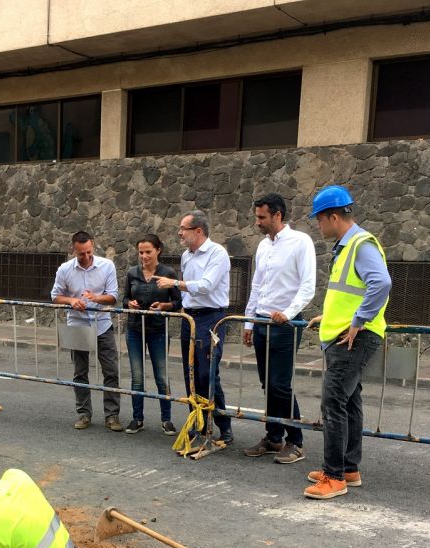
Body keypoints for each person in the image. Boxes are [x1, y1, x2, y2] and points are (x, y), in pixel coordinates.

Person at [304, 185, 391, 500]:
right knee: (349, 402)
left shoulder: (359, 244)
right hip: (344, 334)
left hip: (353, 338)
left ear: (334, 216)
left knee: (333, 403)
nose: (319, 226)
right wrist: (326, 319)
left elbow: (381, 283)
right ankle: (348, 468)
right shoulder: (347, 246)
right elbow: (347, 293)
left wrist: (357, 322)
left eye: (320, 220)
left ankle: (333, 477)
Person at [242, 193, 316, 465]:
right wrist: (250, 321)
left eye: (262, 217)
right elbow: (257, 286)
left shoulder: (300, 242)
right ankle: (273, 436)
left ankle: (295, 441)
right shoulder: (263, 246)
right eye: (257, 216)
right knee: (267, 383)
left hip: (286, 324)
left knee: (280, 385)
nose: (257, 222)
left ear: (277, 215)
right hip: (262, 322)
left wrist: (288, 313)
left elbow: (308, 285)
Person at [152, 210, 233, 447]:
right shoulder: (187, 255)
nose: (179, 233)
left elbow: (206, 286)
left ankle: (223, 426)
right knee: (190, 374)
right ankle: (197, 425)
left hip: (212, 318)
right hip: (190, 318)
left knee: (207, 374)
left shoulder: (217, 253)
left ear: (198, 231)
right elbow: (190, 291)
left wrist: (175, 283)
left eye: (183, 229)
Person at [51, 231, 122, 431]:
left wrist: (97, 298)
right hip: (77, 325)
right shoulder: (65, 269)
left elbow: (113, 296)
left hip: (102, 324)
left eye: (89, 252)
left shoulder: (107, 266)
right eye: (81, 254)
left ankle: (112, 415)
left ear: (93, 246)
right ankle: (83, 413)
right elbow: (55, 296)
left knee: (111, 371)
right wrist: (71, 300)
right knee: (80, 372)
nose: (86, 257)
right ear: (73, 250)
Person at [122, 234, 182, 435]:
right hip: (134, 330)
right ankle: (137, 418)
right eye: (141, 252)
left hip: (158, 331)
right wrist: (129, 303)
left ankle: (167, 420)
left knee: (162, 377)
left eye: (148, 251)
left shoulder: (168, 273)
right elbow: (124, 298)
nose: (144, 256)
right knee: (137, 376)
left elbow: (178, 303)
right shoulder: (132, 273)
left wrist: (165, 305)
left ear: (158, 250)